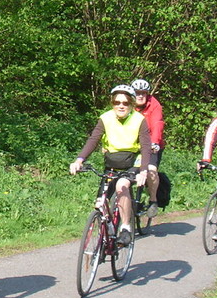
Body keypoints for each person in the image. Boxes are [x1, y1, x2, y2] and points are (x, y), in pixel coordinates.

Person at [69, 85, 152, 247]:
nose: (121, 106)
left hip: (131, 162)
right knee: (100, 202)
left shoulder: (139, 120)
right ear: (112, 103)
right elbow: (93, 140)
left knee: (122, 186)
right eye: (117, 102)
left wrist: (143, 171)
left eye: (125, 103)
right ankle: (106, 231)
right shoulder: (105, 118)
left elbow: (146, 146)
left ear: (132, 104)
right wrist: (79, 160)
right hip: (112, 163)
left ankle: (126, 227)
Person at [131, 78, 164, 217]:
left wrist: (155, 142)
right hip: (132, 144)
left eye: (143, 93)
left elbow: (157, 124)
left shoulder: (154, 105)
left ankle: (153, 200)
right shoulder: (127, 104)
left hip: (151, 144)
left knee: (150, 170)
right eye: (137, 93)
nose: (140, 96)